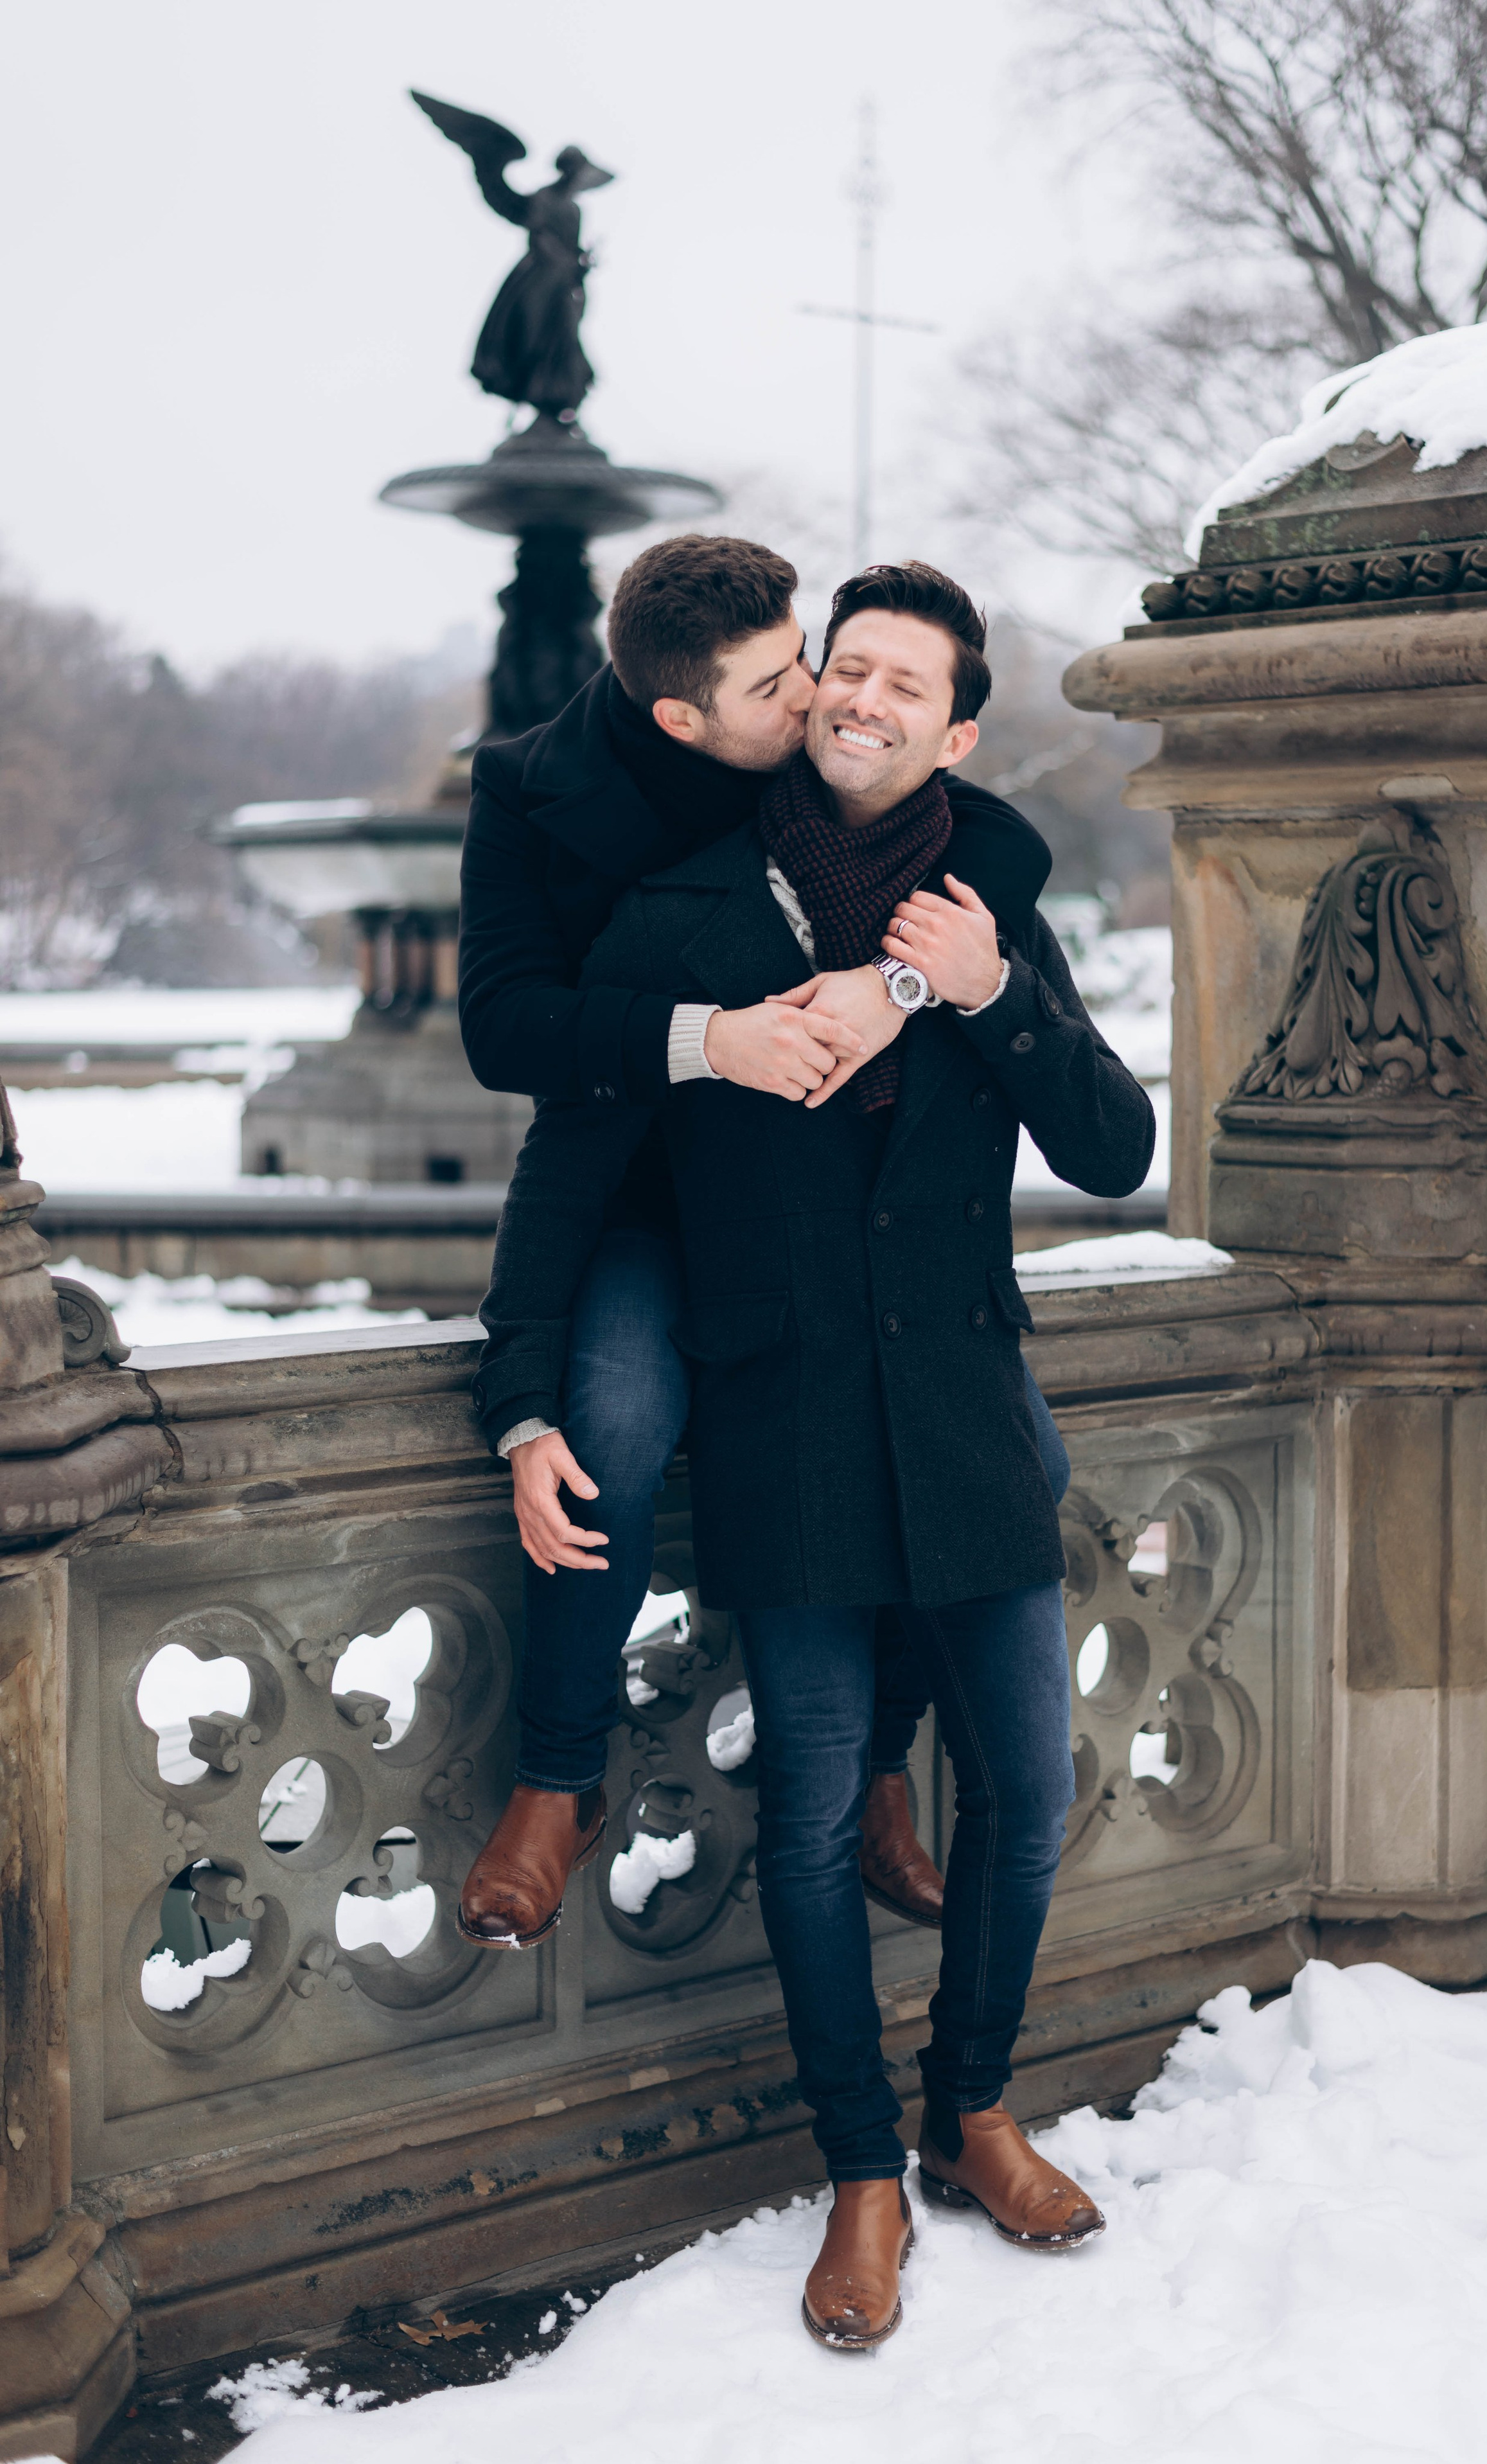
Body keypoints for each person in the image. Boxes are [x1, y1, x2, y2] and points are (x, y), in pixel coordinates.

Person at [480, 562, 1155, 2349]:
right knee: (808, 1814)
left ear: (956, 725)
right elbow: (568, 1170)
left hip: (962, 1407)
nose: (855, 695)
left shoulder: (981, 899)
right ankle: (865, 2170)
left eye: (896, 679)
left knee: (1025, 1792)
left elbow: (1109, 1138)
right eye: (837, 668)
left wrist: (987, 989)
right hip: (779, 1411)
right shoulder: (678, 910)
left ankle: (975, 2113)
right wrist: (528, 1400)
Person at [457, 536, 1068, 1947]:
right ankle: (557, 1777)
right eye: (780, 677)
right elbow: (509, 1033)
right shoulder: (535, 795)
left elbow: (988, 838)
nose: (813, 693)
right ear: (684, 718)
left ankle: (879, 1774)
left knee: (1014, 1460)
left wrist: (898, 979)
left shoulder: (818, 757)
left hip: (808, 1200)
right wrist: (704, 1041)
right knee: (607, 1421)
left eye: (814, 656)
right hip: (640, 1183)